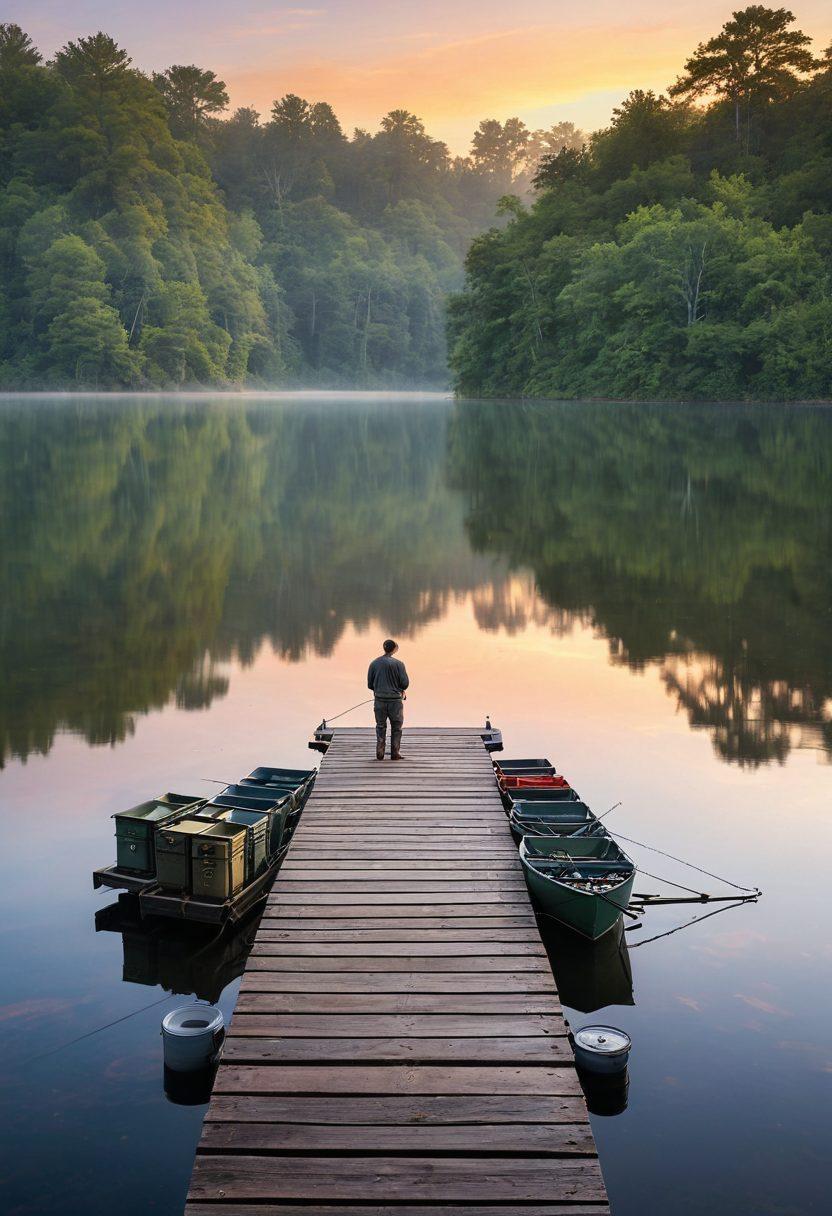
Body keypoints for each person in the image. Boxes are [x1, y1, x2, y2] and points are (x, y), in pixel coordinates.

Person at [367, 639, 409, 760]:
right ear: (394, 649)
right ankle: (395, 753)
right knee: (396, 727)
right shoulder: (399, 664)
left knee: (380, 726)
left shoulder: (374, 663)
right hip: (395, 702)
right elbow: (405, 684)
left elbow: (370, 685)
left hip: (379, 700)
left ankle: (380, 753)